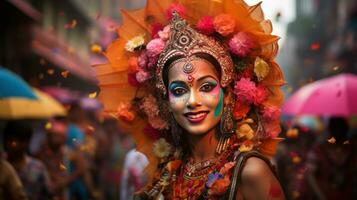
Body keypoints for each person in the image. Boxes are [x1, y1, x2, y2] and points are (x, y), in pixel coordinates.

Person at [96, 0, 285, 199]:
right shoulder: (169, 171)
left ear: (227, 95)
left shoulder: (250, 171)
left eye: (206, 87)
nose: (192, 101)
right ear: (166, 102)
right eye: (179, 91)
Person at [3, 120, 51, 200]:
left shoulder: (37, 168)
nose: (8, 145)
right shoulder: (2, 166)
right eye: (6, 140)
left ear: (26, 142)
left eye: (13, 142)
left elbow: (48, 194)